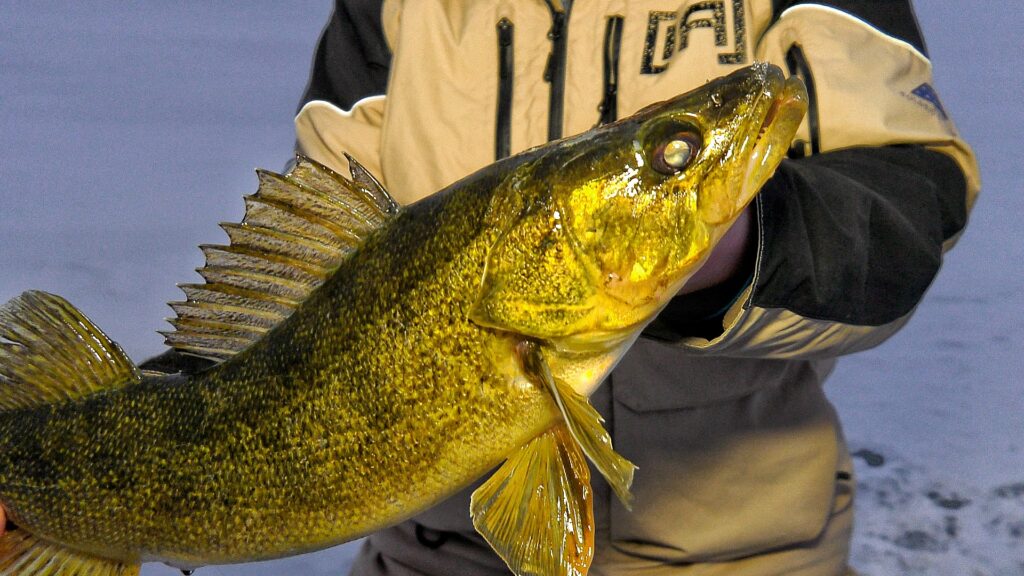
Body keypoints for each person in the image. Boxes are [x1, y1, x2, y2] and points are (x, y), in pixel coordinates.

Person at [0, 1, 980, 575]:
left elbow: (901, 211)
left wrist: (734, 250)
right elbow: (311, 257)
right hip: (426, 560)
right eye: (677, 154)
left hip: (739, 553)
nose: (703, 149)